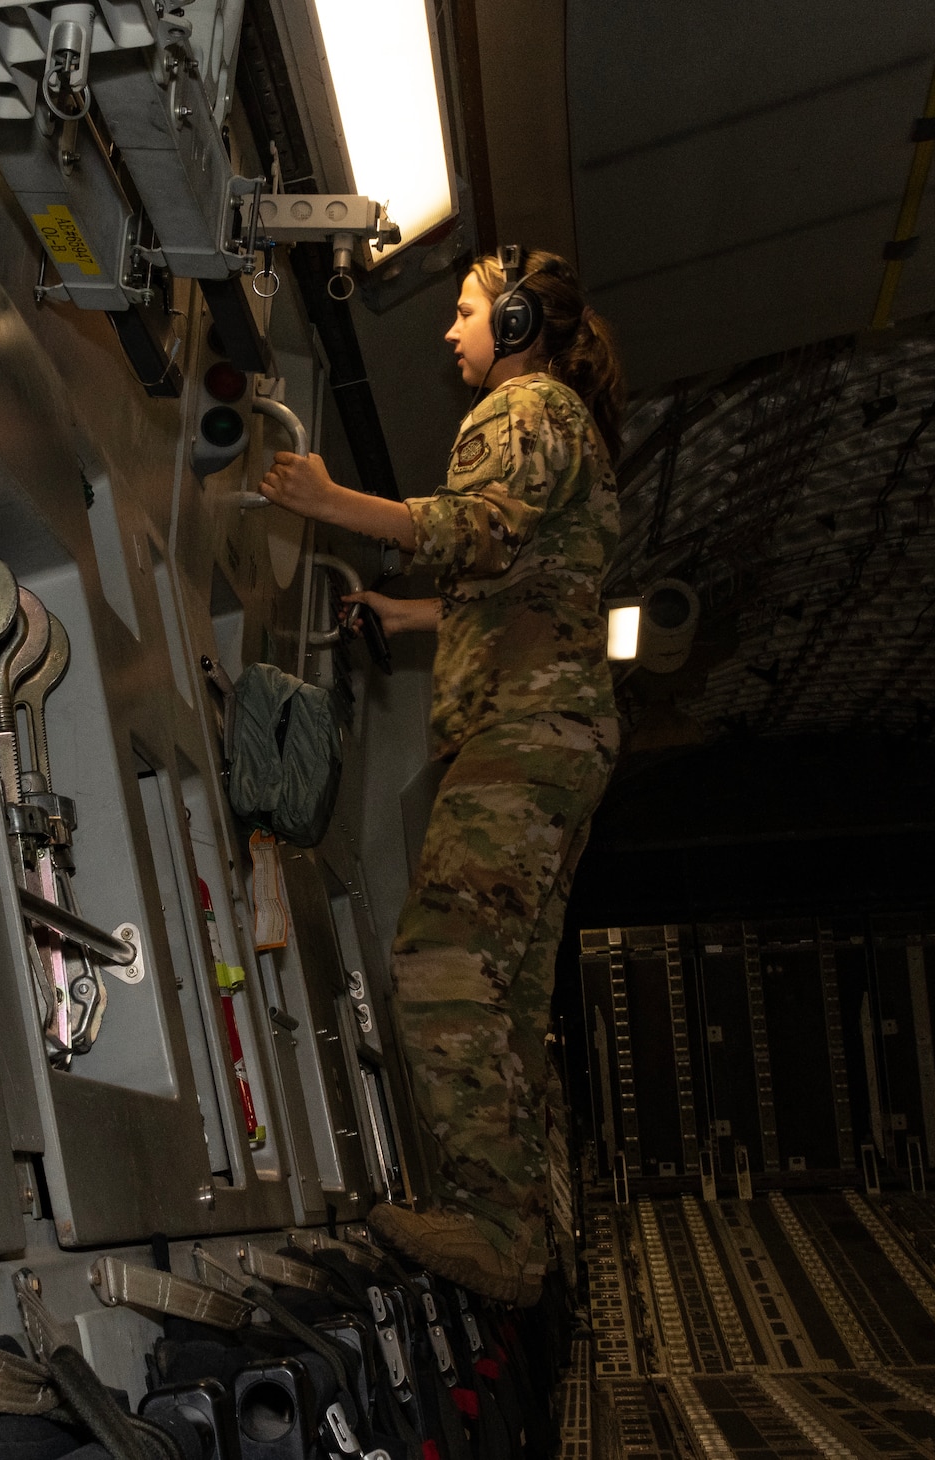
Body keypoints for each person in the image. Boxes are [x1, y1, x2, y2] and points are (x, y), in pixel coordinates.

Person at [258, 247, 625, 1304]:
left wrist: (332, 502)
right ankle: (537, 1225)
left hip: (521, 730)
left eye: (464, 311)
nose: (448, 331)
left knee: (439, 964)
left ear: (515, 323)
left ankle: (497, 1233)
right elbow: (523, 582)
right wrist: (404, 615)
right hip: (557, 730)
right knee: (505, 994)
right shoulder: (566, 423)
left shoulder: (520, 412)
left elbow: (474, 529)